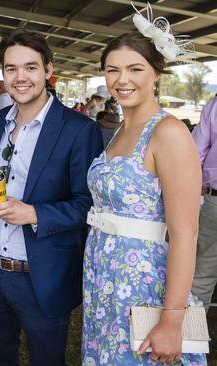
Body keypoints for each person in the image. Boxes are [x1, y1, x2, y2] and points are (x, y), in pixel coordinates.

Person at [0, 29, 103, 366]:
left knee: (47, 358)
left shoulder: (79, 129)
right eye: (11, 69)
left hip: (40, 272)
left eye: (30, 68)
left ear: (48, 70)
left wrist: (34, 213)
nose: (20, 78)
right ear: (3, 74)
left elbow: (88, 205)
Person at [83, 29, 207, 365]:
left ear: (156, 71)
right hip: (105, 279)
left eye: (135, 69)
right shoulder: (121, 129)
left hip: (142, 283)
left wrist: (171, 318)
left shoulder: (167, 132)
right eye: (112, 70)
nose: (122, 79)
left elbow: (186, 233)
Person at [192, 94, 217, 309]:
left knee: (204, 272)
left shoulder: (214, 105)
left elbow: (195, 153)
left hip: (214, 201)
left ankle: (192, 334)